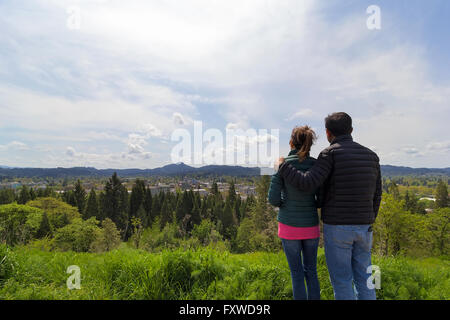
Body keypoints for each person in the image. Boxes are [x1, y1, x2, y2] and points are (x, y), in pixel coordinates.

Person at [277, 112, 382, 300]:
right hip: (365, 226)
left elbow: (307, 183)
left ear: (327, 133)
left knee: (342, 280)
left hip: (338, 226)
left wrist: (283, 166)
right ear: (351, 130)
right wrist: (370, 218)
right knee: (366, 278)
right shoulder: (372, 156)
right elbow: (377, 194)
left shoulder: (329, 154)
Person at [268, 125, 321, 300]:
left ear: (291, 142)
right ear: (310, 144)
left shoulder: (282, 166)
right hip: (311, 226)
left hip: (289, 226)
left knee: (296, 273)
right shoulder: (316, 165)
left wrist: (286, 204)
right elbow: (321, 198)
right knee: (311, 271)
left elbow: (273, 199)